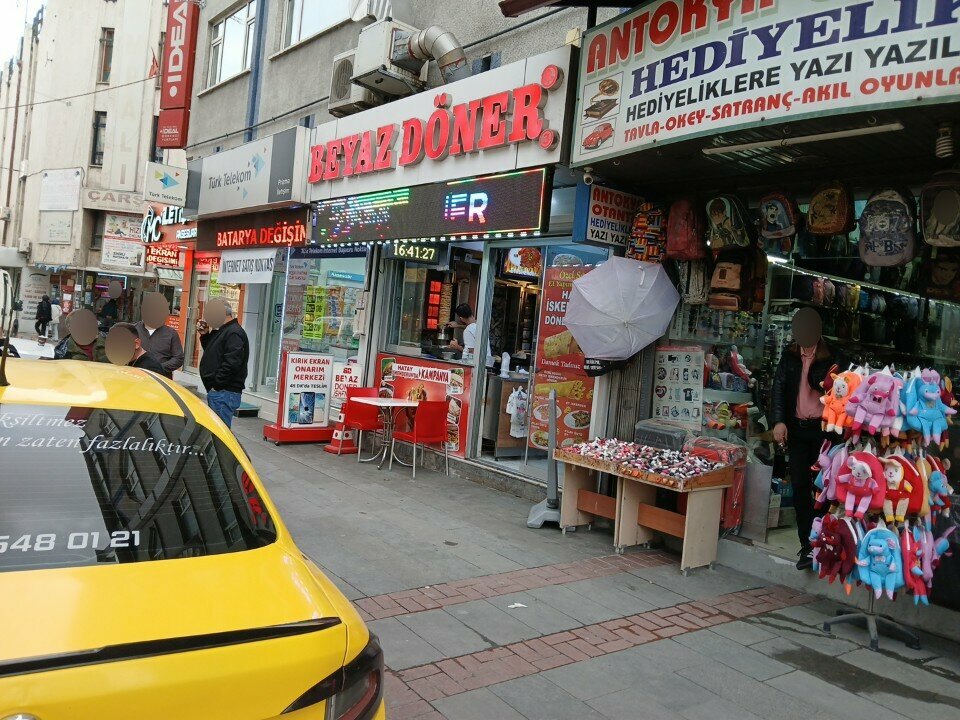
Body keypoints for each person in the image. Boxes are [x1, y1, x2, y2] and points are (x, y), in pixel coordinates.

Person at [771, 308, 845, 571]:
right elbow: (778, 388)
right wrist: (779, 421)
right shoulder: (790, 356)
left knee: (824, 490)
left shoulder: (833, 355)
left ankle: (823, 544)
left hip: (824, 432)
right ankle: (806, 546)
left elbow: (844, 394)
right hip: (798, 430)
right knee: (801, 487)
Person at [198, 301, 249, 427]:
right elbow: (214, 353)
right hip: (221, 391)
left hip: (224, 391)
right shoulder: (223, 330)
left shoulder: (233, 332)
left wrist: (217, 385)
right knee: (218, 429)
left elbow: (232, 363)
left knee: (220, 431)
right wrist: (205, 335)